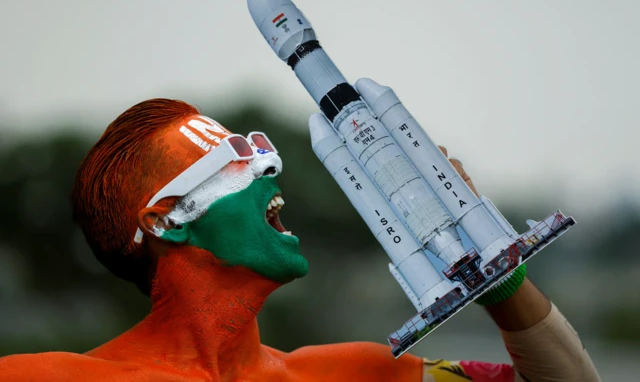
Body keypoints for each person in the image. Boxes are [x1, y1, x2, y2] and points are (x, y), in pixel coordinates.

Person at [0, 98, 600, 381]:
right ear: (165, 219)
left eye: (260, 148)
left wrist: (495, 270)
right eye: (233, 161)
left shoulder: (350, 374)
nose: (268, 168)